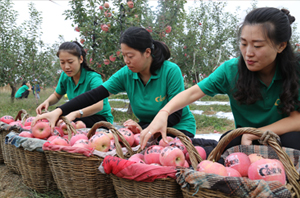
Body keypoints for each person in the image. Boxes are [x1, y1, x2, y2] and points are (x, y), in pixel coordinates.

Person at [139, 7, 300, 151]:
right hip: (245, 140)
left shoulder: (295, 69)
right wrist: (164, 113)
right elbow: (192, 93)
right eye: (243, 44)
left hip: (282, 137)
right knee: (228, 141)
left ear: (281, 46)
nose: (248, 53)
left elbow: (297, 119)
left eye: (257, 46)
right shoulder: (231, 70)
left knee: (294, 140)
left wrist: (256, 133)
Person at [32, 27, 197, 139]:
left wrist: (144, 128)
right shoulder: (126, 74)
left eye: (130, 56)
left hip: (178, 128)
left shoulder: (170, 71)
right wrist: (59, 111)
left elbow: (175, 114)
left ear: (147, 52)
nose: (126, 61)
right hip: (147, 129)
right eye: (123, 55)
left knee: (159, 152)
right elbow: (94, 95)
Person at [35, 41, 114, 128]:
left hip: (99, 118)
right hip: (76, 115)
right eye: (62, 62)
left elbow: (99, 106)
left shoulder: (93, 78)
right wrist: (47, 102)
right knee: (54, 116)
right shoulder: (65, 76)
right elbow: (57, 95)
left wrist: (76, 114)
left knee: (66, 123)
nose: (66, 67)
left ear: (81, 59)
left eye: (70, 62)